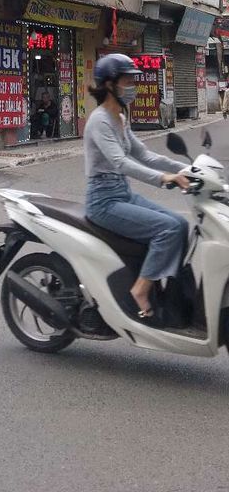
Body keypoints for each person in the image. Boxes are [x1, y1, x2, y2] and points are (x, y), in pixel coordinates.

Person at [84, 53, 190, 321]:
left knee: (180, 224)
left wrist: (187, 168)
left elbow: (144, 155)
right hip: (103, 201)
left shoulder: (120, 117)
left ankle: (170, 293)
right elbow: (120, 163)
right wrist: (164, 178)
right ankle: (141, 289)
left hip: (122, 194)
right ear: (110, 84)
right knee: (167, 228)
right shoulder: (99, 120)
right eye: (128, 81)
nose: (133, 86)